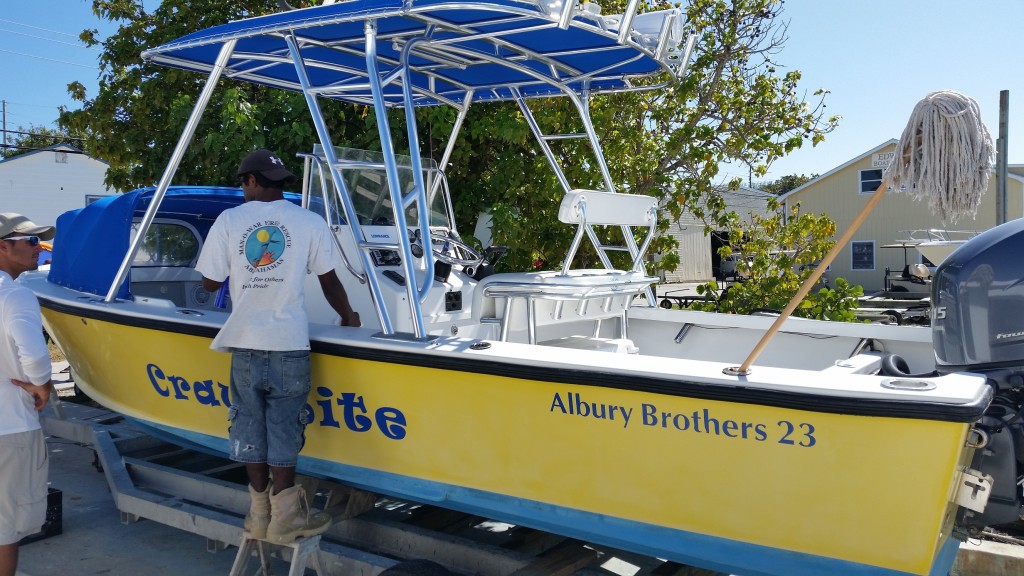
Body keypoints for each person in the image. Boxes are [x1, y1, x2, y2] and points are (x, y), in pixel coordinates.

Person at [196, 149, 361, 544]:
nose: (242, 188)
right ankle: (285, 519)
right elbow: (329, 282)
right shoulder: (309, 222)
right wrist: (349, 317)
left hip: (245, 343)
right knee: (284, 427)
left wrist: (241, 272)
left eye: (242, 182)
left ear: (252, 181)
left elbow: (209, 284)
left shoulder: (230, 220)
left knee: (249, 425)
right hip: (289, 343)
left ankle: (258, 515)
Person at [0, 213, 55, 576]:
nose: (39, 247)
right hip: (10, 427)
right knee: (6, 525)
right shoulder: (15, 295)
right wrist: (43, 384)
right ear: (3, 247)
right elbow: (34, 356)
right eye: (30, 241)